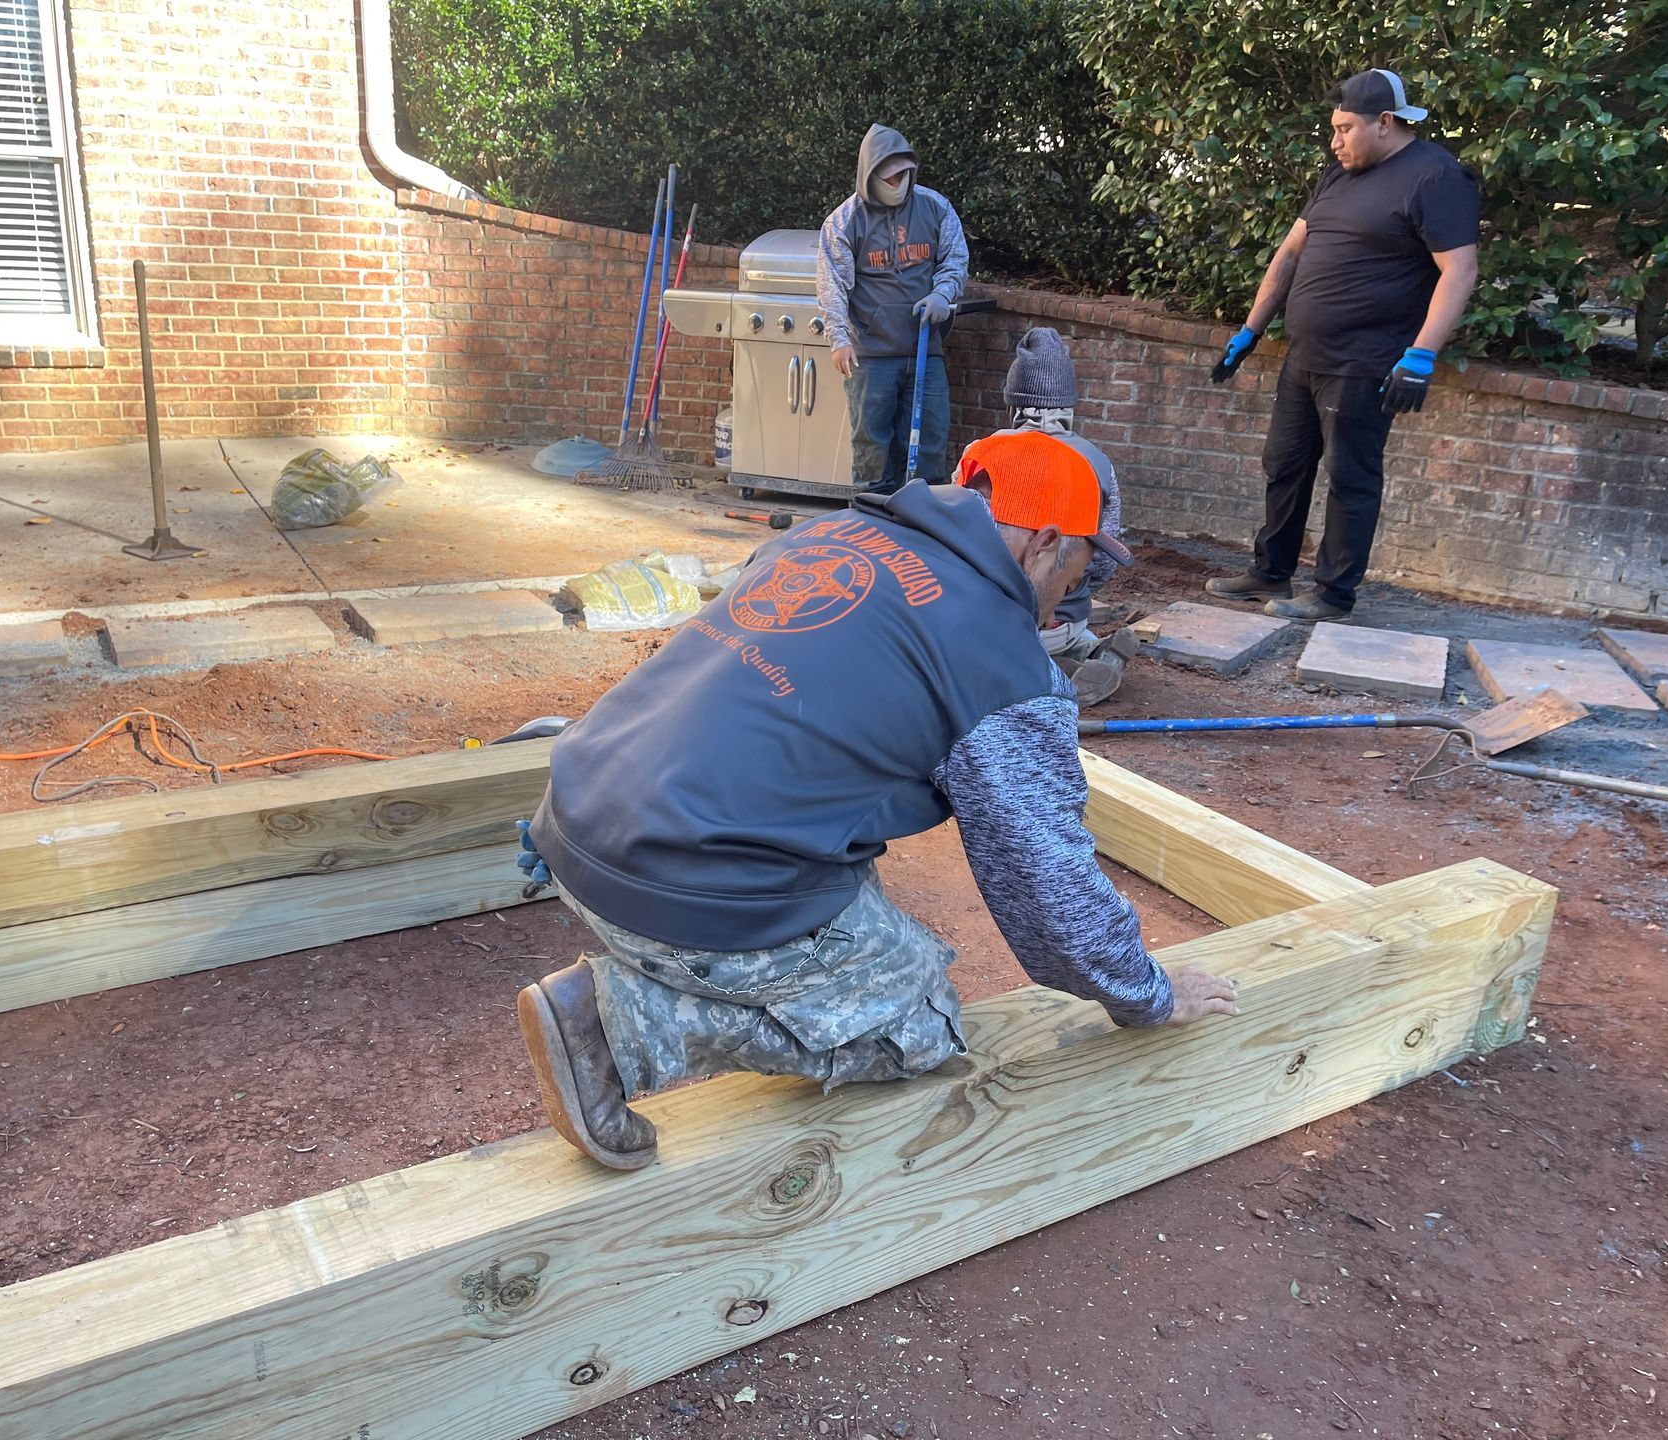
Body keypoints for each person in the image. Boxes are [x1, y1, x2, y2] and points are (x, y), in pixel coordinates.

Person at [513, 443, 1240, 1170]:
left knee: (847, 856)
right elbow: (1046, 885)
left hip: (575, 815)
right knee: (916, 1021)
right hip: (680, 879)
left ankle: (690, 955)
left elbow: (723, 694)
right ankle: (623, 1026)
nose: (1069, 596)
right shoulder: (1000, 663)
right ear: (1046, 541)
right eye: (1079, 569)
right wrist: (1144, 993)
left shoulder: (828, 536)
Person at [1205, 68, 1481, 621]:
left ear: (1384, 122)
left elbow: (1460, 270)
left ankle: (1333, 593)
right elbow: (1289, 254)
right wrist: (1250, 329)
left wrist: (1422, 353)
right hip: (1305, 355)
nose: (1334, 141)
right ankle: (1271, 572)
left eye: (1344, 128)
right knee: (1283, 463)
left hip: (1366, 361)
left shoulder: (1434, 177)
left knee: (1351, 477)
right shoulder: (1339, 176)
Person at [956, 327, 1138, 706]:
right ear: (1069, 405)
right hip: (1062, 617)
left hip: (980, 620)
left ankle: (1036, 666)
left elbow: (954, 537)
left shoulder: (981, 453)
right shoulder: (1095, 462)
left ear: (1013, 405)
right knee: (1070, 631)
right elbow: (1102, 562)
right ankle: (1076, 656)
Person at [816, 123, 970, 495]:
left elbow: (955, 258)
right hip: (871, 356)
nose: (898, 181)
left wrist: (942, 294)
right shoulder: (844, 221)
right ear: (870, 176)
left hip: (924, 348)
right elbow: (832, 284)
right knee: (872, 448)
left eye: (904, 173)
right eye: (889, 176)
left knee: (929, 443)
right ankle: (874, 525)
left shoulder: (935, 208)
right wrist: (838, 339)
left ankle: (922, 526)